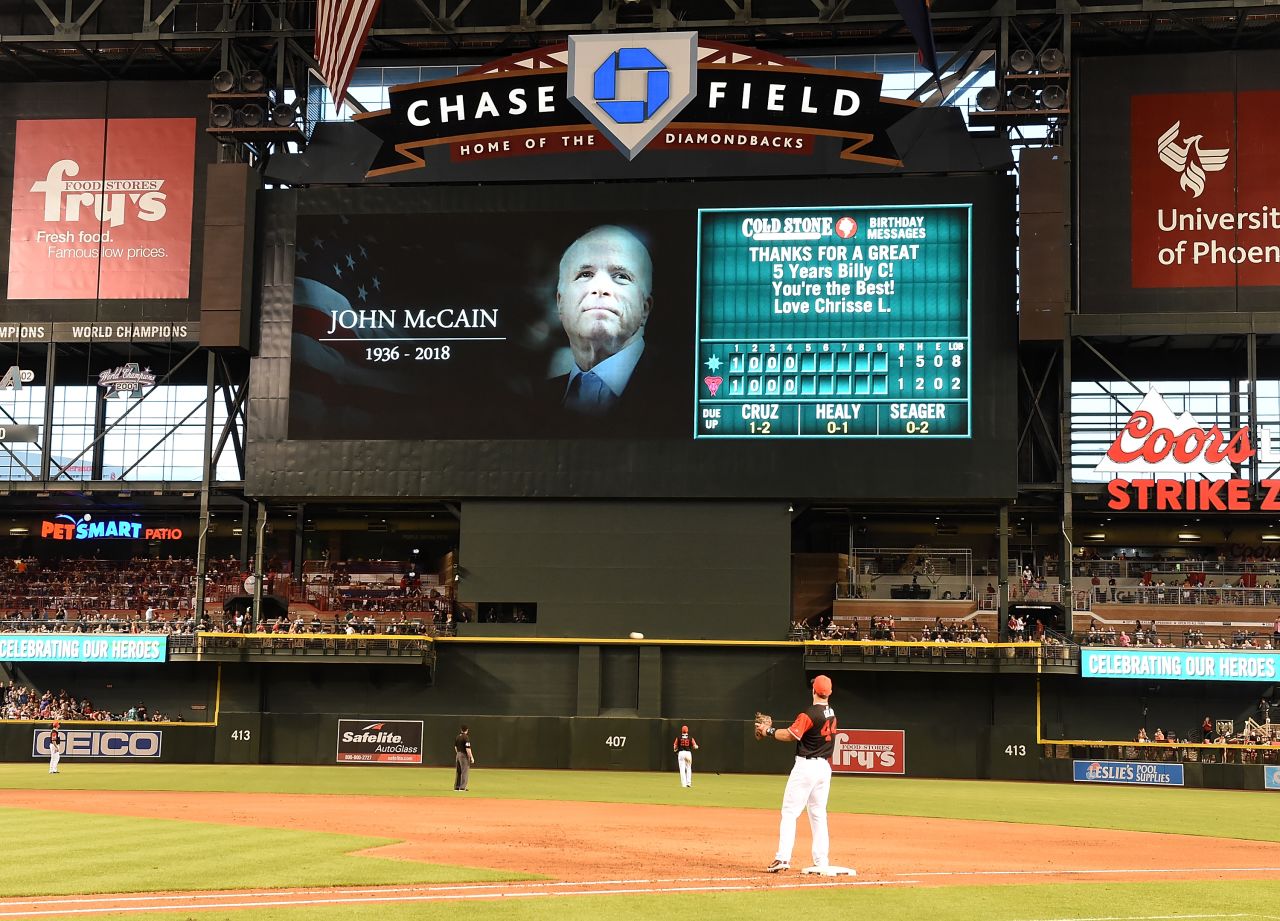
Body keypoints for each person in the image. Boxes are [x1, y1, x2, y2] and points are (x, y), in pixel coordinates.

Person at [547, 225, 654, 420]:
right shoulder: (534, 402)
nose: (600, 288)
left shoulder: (683, 390)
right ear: (560, 303)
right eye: (585, 274)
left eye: (621, 276)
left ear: (645, 309)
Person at [757, 674, 840, 874]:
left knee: (789, 812)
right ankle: (821, 861)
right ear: (829, 692)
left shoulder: (809, 714)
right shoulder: (831, 712)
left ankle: (782, 858)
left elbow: (789, 735)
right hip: (823, 768)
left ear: (814, 690)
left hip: (806, 767)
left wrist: (768, 731)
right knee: (818, 814)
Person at [453, 724, 474, 791]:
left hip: (458, 754)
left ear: (461, 730)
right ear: (467, 730)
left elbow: (455, 747)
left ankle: (457, 787)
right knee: (465, 771)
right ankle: (462, 787)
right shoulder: (466, 737)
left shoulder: (458, 737)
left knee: (458, 771)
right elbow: (468, 748)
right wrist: (471, 757)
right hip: (464, 755)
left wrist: (458, 754)